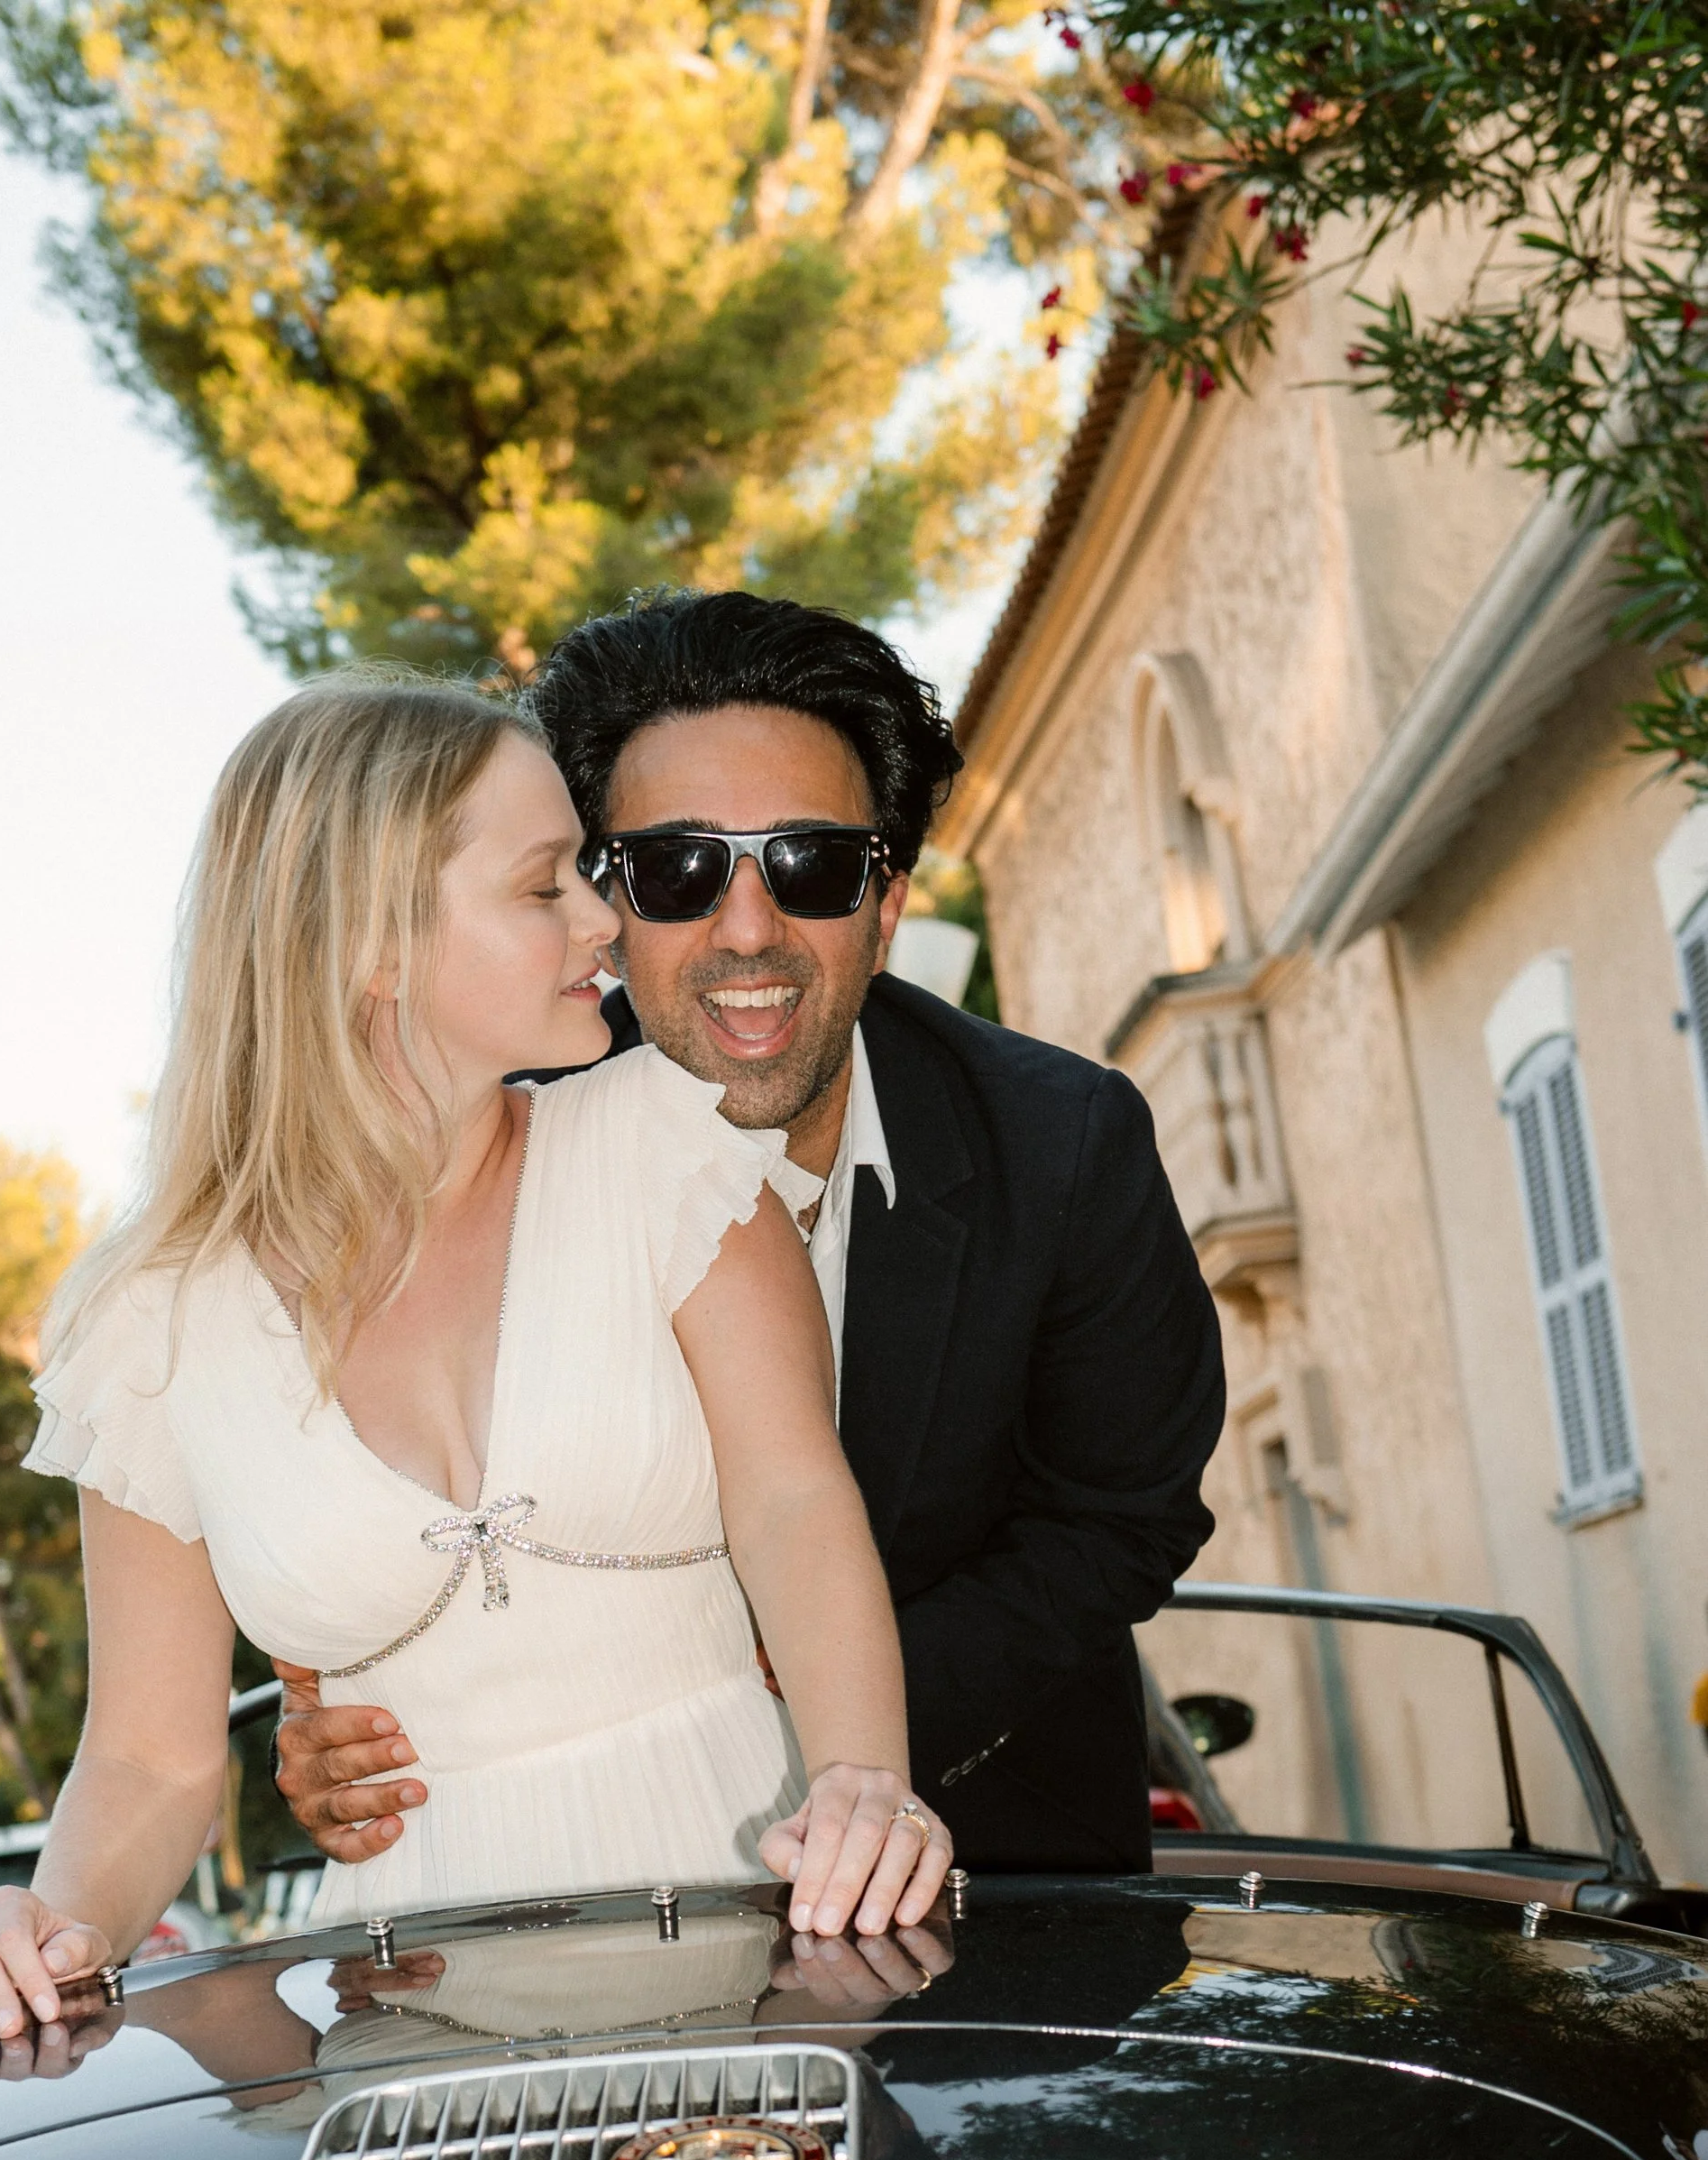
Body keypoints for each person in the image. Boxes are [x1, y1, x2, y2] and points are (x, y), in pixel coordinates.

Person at [0, 673, 951, 2053]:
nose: (604, 918)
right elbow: (152, 1756)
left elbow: (797, 1508)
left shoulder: (666, 1145)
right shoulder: (149, 1321)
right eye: (545, 888)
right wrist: (48, 1924)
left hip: (776, 1949)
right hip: (423, 2034)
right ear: (373, 948)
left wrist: (869, 1784)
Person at [276, 591, 1226, 1882]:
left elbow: (1124, 1515)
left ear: (885, 904)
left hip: (1007, 1872)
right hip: (600, 1901)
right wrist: (330, 1718)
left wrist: (817, 1733)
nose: (746, 930)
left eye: (812, 865)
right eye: (676, 868)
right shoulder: (476, 1151)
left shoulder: (1065, 1145)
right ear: (598, 905)